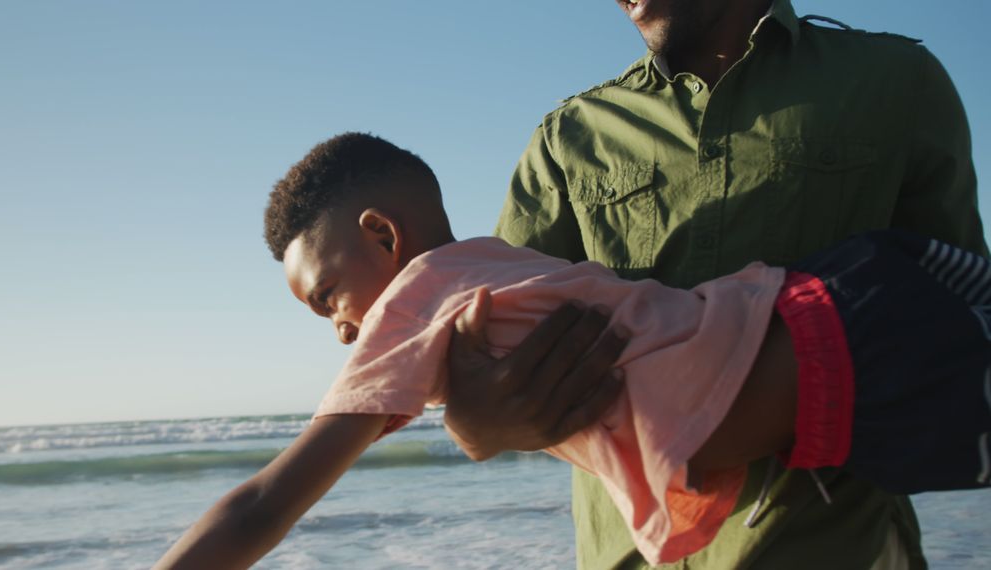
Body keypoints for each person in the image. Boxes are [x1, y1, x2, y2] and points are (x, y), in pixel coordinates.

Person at [153, 133, 991, 569]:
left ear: (381, 235)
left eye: (327, 298)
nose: (341, 330)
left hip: (855, 351)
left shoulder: (414, 299)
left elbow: (265, 504)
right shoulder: (499, 268)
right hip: (850, 338)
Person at [441, 0, 988, 568]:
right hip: (628, 554)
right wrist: (476, 424)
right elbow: (494, 337)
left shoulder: (894, 81)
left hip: (835, 546)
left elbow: (960, 320)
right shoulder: (570, 136)